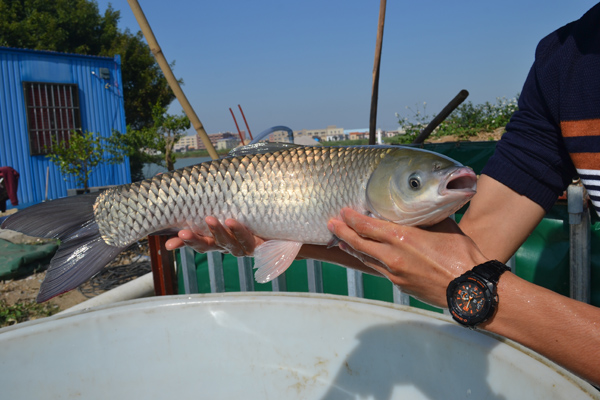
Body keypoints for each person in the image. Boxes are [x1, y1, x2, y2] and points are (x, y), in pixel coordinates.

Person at [166, 3, 600, 387]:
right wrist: (287, 234)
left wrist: (483, 298)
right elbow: (467, 252)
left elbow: (465, 274)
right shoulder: (562, 61)